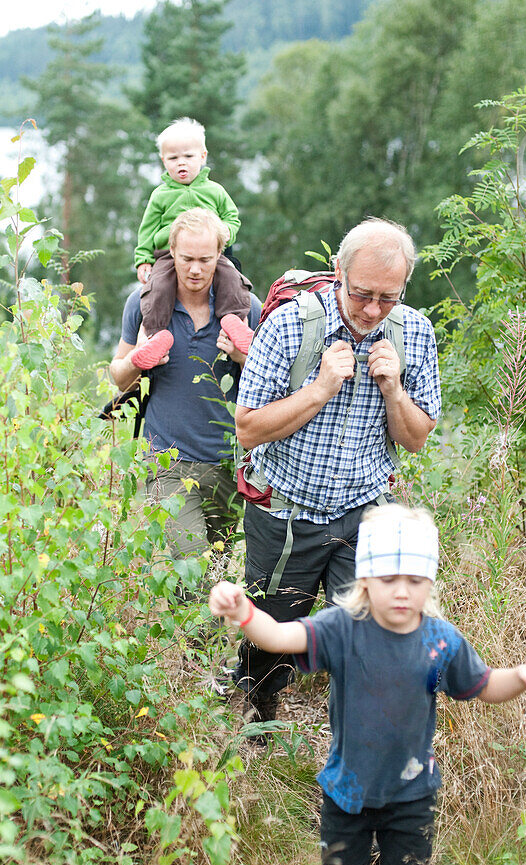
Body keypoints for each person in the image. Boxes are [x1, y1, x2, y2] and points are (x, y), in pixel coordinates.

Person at [208, 504, 526, 865]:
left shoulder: (440, 642)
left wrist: (519, 677)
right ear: (365, 577)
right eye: (388, 577)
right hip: (346, 792)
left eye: (415, 579)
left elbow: (483, 686)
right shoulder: (341, 630)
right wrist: (244, 611)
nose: (401, 591)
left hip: (412, 797)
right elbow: (280, 635)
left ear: (430, 581)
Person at [233, 217, 442, 723]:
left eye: (387, 297)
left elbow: (415, 438)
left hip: (365, 512)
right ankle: (257, 697)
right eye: (362, 293)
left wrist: (394, 390)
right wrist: (320, 388)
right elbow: (248, 429)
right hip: (287, 511)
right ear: (337, 272)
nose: (373, 310)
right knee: (272, 629)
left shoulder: (413, 331)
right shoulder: (289, 325)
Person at [111, 206, 262, 579]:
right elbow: (118, 377)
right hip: (167, 463)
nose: (195, 269)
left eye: (205, 260)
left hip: (229, 462)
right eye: (186, 259)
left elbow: (270, 391)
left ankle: (204, 639)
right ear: (171, 253)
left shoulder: (247, 310)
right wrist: (139, 360)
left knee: (219, 572)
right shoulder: (144, 304)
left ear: (220, 256)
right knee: (190, 569)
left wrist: (245, 357)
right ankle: (195, 635)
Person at [133, 117, 253, 358]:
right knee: (158, 286)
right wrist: (143, 258)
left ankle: (235, 322)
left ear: (203, 156)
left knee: (232, 278)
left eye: (188, 156)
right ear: (163, 161)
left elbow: (232, 216)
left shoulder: (214, 190)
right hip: (170, 254)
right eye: (173, 158)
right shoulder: (160, 195)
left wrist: (227, 231)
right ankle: (155, 336)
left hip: (211, 251)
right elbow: (147, 229)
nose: (181, 164)